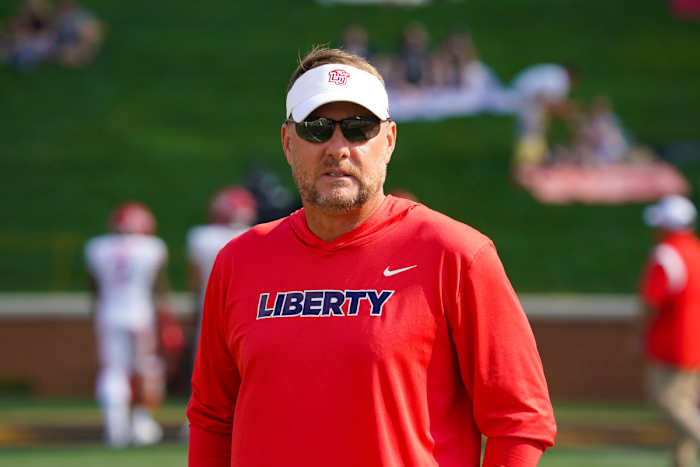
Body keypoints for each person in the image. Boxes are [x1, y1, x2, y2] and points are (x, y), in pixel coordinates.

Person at [187, 47, 556, 466]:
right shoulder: (239, 260)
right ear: (289, 143)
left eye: (359, 128)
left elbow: (520, 420)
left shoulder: (456, 254)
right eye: (317, 128)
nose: (338, 147)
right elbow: (212, 418)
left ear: (389, 140)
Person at [85, 202, 173, 447]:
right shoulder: (152, 248)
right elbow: (158, 288)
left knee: (113, 371)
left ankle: (115, 428)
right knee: (147, 369)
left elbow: (94, 288)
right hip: (140, 316)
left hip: (109, 314)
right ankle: (142, 423)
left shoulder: (97, 247)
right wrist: (166, 318)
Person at [640, 195, 700, 467]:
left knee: (668, 403)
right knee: (687, 405)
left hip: (672, 344)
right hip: (694, 342)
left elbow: (652, 301)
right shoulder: (695, 250)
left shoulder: (666, 254)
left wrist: (639, 333)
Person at [186, 186, 258, 361]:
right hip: (247, 313)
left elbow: (194, 282)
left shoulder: (201, 237)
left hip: (210, 312)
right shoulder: (257, 237)